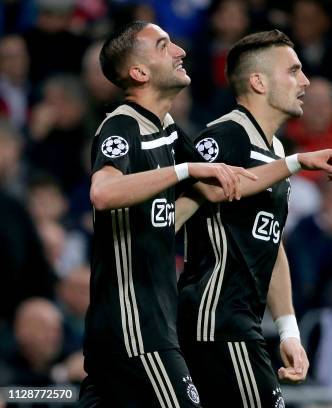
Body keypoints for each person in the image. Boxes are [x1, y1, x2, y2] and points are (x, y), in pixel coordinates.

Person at [176, 30, 332, 408]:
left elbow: (271, 243)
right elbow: (192, 201)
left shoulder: (274, 149)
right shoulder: (224, 136)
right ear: (258, 81)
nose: (305, 81)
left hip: (241, 321)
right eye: (293, 71)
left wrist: (288, 331)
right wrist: (295, 163)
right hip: (214, 319)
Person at [78, 21, 259, 408]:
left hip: (144, 326)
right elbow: (103, 192)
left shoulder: (167, 128)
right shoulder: (122, 125)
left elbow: (218, 188)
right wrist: (184, 171)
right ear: (139, 73)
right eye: (164, 46)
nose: (180, 51)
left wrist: (296, 162)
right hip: (136, 329)